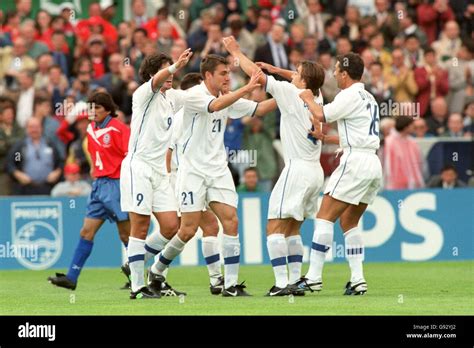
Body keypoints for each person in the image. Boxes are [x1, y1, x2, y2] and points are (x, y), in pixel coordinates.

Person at [147, 54, 277, 297]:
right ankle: (157, 268)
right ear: (208, 76)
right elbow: (215, 107)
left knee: (231, 221)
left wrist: (288, 96)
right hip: (192, 172)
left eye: (228, 73)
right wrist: (248, 87)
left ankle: (230, 285)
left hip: (218, 171)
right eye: (223, 73)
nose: (228, 77)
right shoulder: (195, 95)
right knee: (187, 230)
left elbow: (259, 109)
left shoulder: (226, 97)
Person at [223, 35, 325, 296]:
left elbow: (254, 73)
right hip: (315, 171)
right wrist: (277, 69)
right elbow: (299, 75)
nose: (293, 76)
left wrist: (236, 51)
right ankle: (293, 281)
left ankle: (281, 284)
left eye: (297, 73)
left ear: (301, 80)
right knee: (292, 229)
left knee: (273, 228)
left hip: (297, 168)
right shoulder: (317, 95)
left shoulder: (290, 93)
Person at [299, 52, 383, 296]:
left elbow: (321, 115)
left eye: (336, 70)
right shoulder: (369, 97)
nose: (334, 74)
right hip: (372, 162)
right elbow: (360, 133)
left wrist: (306, 97)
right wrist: (327, 138)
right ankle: (358, 279)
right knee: (349, 222)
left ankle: (313, 277)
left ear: (345, 74)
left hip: (355, 161)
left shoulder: (349, 94)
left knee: (324, 217)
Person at [120, 49, 193, 299]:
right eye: (164, 67)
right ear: (153, 72)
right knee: (139, 226)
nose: (170, 72)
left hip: (160, 171)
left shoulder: (171, 97)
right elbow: (157, 81)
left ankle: (134, 263)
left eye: (170, 67)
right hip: (138, 167)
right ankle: (138, 287)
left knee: (172, 225)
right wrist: (174, 67)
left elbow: (196, 96)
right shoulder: (143, 94)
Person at [48, 92, 131, 290]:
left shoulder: (120, 129)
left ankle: (141, 278)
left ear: (109, 110)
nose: (92, 112)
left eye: (97, 108)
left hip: (116, 185)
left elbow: (130, 156)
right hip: (99, 185)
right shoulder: (90, 128)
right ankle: (72, 278)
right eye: (90, 108)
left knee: (127, 236)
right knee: (86, 232)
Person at [167, 72, 225, 295]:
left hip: (193, 177)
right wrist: (169, 181)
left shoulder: (196, 113)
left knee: (189, 228)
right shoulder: (184, 115)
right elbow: (168, 150)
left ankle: (215, 280)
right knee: (183, 229)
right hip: (185, 179)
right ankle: (156, 271)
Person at [6, 117, 63, 195]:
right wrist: (18, 174)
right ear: (26, 129)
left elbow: (60, 162)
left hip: (48, 188)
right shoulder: (20, 147)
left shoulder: (49, 144)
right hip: (26, 189)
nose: (34, 130)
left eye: (37, 127)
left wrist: (57, 172)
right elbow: (11, 163)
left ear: (41, 128)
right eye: (31, 127)